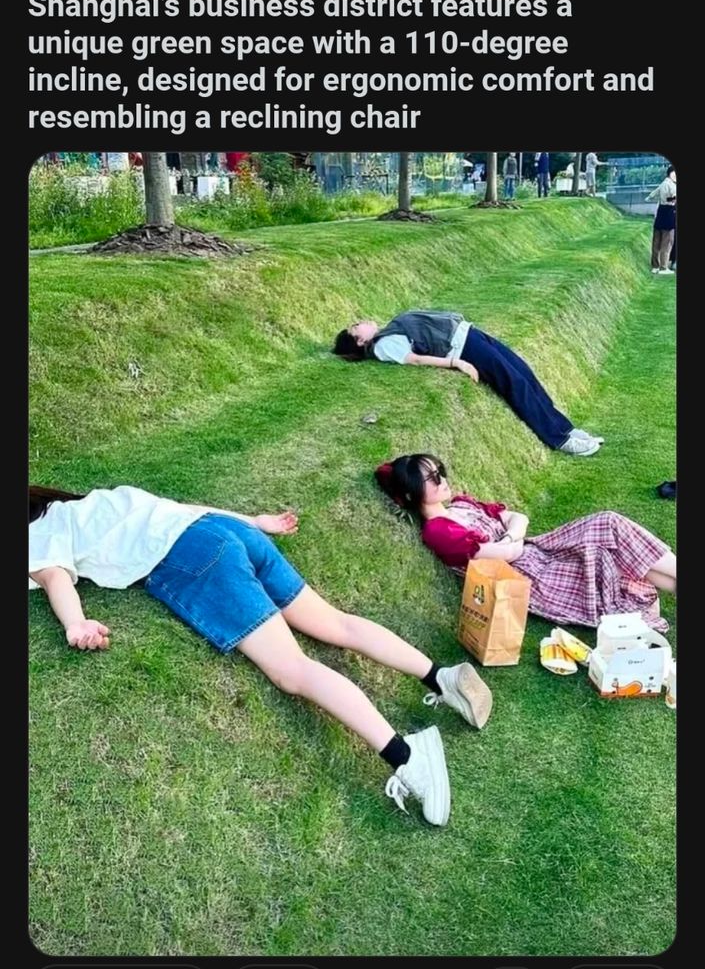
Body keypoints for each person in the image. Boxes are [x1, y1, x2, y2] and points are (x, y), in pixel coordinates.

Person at [29, 484, 497, 827]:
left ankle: (407, 753)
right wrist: (255, 522)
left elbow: (53, 577)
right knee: (334, 622)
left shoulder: (38, 532)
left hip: (195, 557)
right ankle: (441, 677)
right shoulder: (92, 501)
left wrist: (75, 623)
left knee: (292, 670)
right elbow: (188, 506)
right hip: (223, 529)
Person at [375, 455, 676, 634]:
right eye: (431, 478)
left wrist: (511, 536)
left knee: (609, 533)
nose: (441, 479)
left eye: (439, 471)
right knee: (607, 529)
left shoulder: (460, 505)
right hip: (530, 578)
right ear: (412, 493)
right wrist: (511, 539)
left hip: (536, 551)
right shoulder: (439, 531)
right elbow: (506, 554)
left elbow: (518, 517)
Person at [333, 311, 603, 455]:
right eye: (357, 327)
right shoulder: (382, 346)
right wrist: (457, 363)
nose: (362, 322)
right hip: (463, 348)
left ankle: (565, 428)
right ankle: (558, 440)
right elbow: (414, 359)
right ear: (360, 342)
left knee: (524, 373)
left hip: (469, 334)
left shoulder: (387, 331)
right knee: (515, 385)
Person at [646, 166, 677, 274]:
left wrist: (649, 198)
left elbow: (653, 194)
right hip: (669, 212)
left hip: (660, 213)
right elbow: (673, 197)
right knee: (667, 242)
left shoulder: (663, 184)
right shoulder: (672, 185)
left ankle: (655, 266)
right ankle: (664, 267)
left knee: (656, 242)